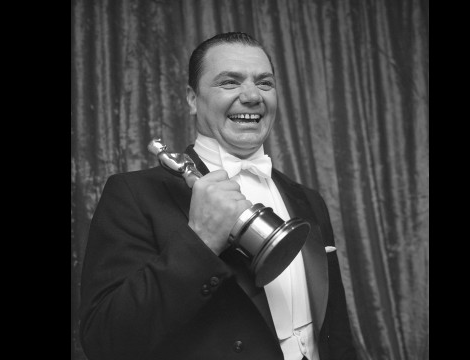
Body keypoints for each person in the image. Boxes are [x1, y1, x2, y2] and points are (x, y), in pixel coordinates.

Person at [79, 32, 358, 360]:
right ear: (193, 99)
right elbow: (105, 341)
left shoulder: (308, 199)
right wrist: (199, 241)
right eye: (230, 82)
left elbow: (334, 330)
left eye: (265, 83)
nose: (252, 95)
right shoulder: (133, 195)